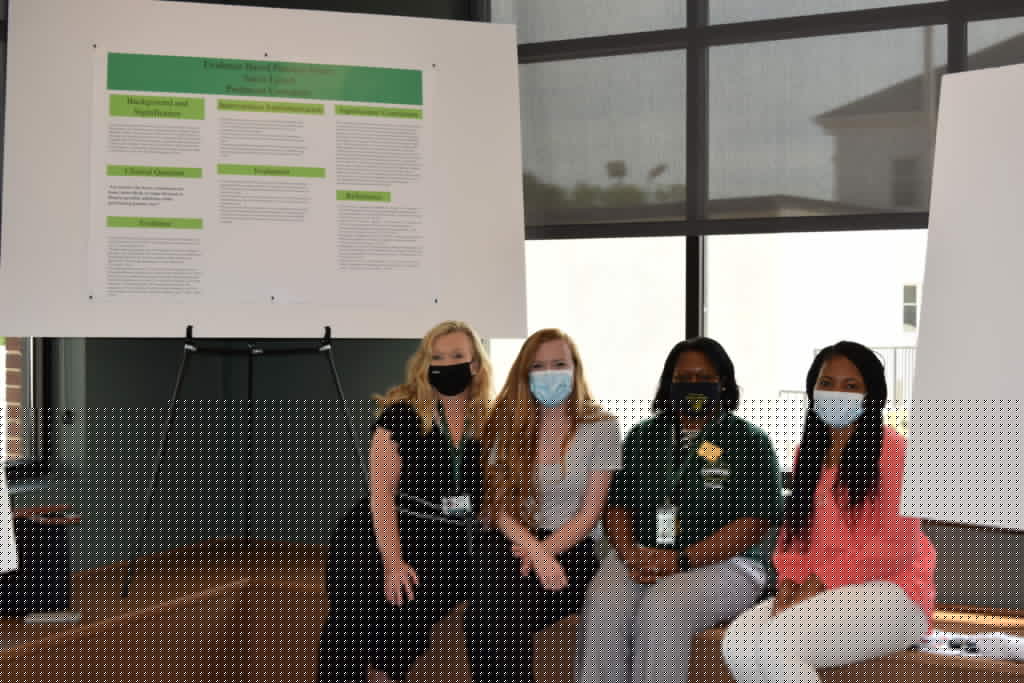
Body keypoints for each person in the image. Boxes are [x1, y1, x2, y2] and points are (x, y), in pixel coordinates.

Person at [721, 341, 936, 683]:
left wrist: (818, 582)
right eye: (827, 383)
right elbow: (795, 536)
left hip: (895, 591)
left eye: (851, 386)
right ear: (812, 389)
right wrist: (790, 582)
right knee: (738, 644)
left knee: (775, 644)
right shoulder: (806, 453)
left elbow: (896, 546)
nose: (837, 393)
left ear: (871, 395)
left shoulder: (896, 450)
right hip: (822, 590)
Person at [578, 337, 781, 683]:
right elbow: (617, 505)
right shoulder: (642, 437)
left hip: (728, 565)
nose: (693, 385)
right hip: (640, 555)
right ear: (668, 383)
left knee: (663, 608)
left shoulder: (750, 442)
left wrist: (680, 560)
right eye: (683, 378)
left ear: (723, 383)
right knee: (604, 605)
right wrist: (628, 552)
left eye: (703, 377)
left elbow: (754, 523)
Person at [318, 321, 493, 683]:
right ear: (425, 364)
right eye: (437, 357)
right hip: (382, 530)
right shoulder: (401, 415)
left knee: (407, 606)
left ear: (475, 364)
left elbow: (494, 497)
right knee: (352, 617)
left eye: (457, 356)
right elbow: (381, 494)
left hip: (451, 541)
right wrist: (393, 561)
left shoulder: (492, 422)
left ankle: (383, 673)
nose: (447, 365)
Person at [464, 328, 622, 683]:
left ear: (575, 368)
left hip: (571, 549)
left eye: (558, 364)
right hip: (511, 542)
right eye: (538, 366)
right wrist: (534, 551)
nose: (549, 373)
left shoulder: (602, 427)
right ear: (525, 373)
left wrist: (545, 551)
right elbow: (496, 506)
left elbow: (590, 514)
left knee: (507, 618)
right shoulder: (506, 422)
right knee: (481, 620)